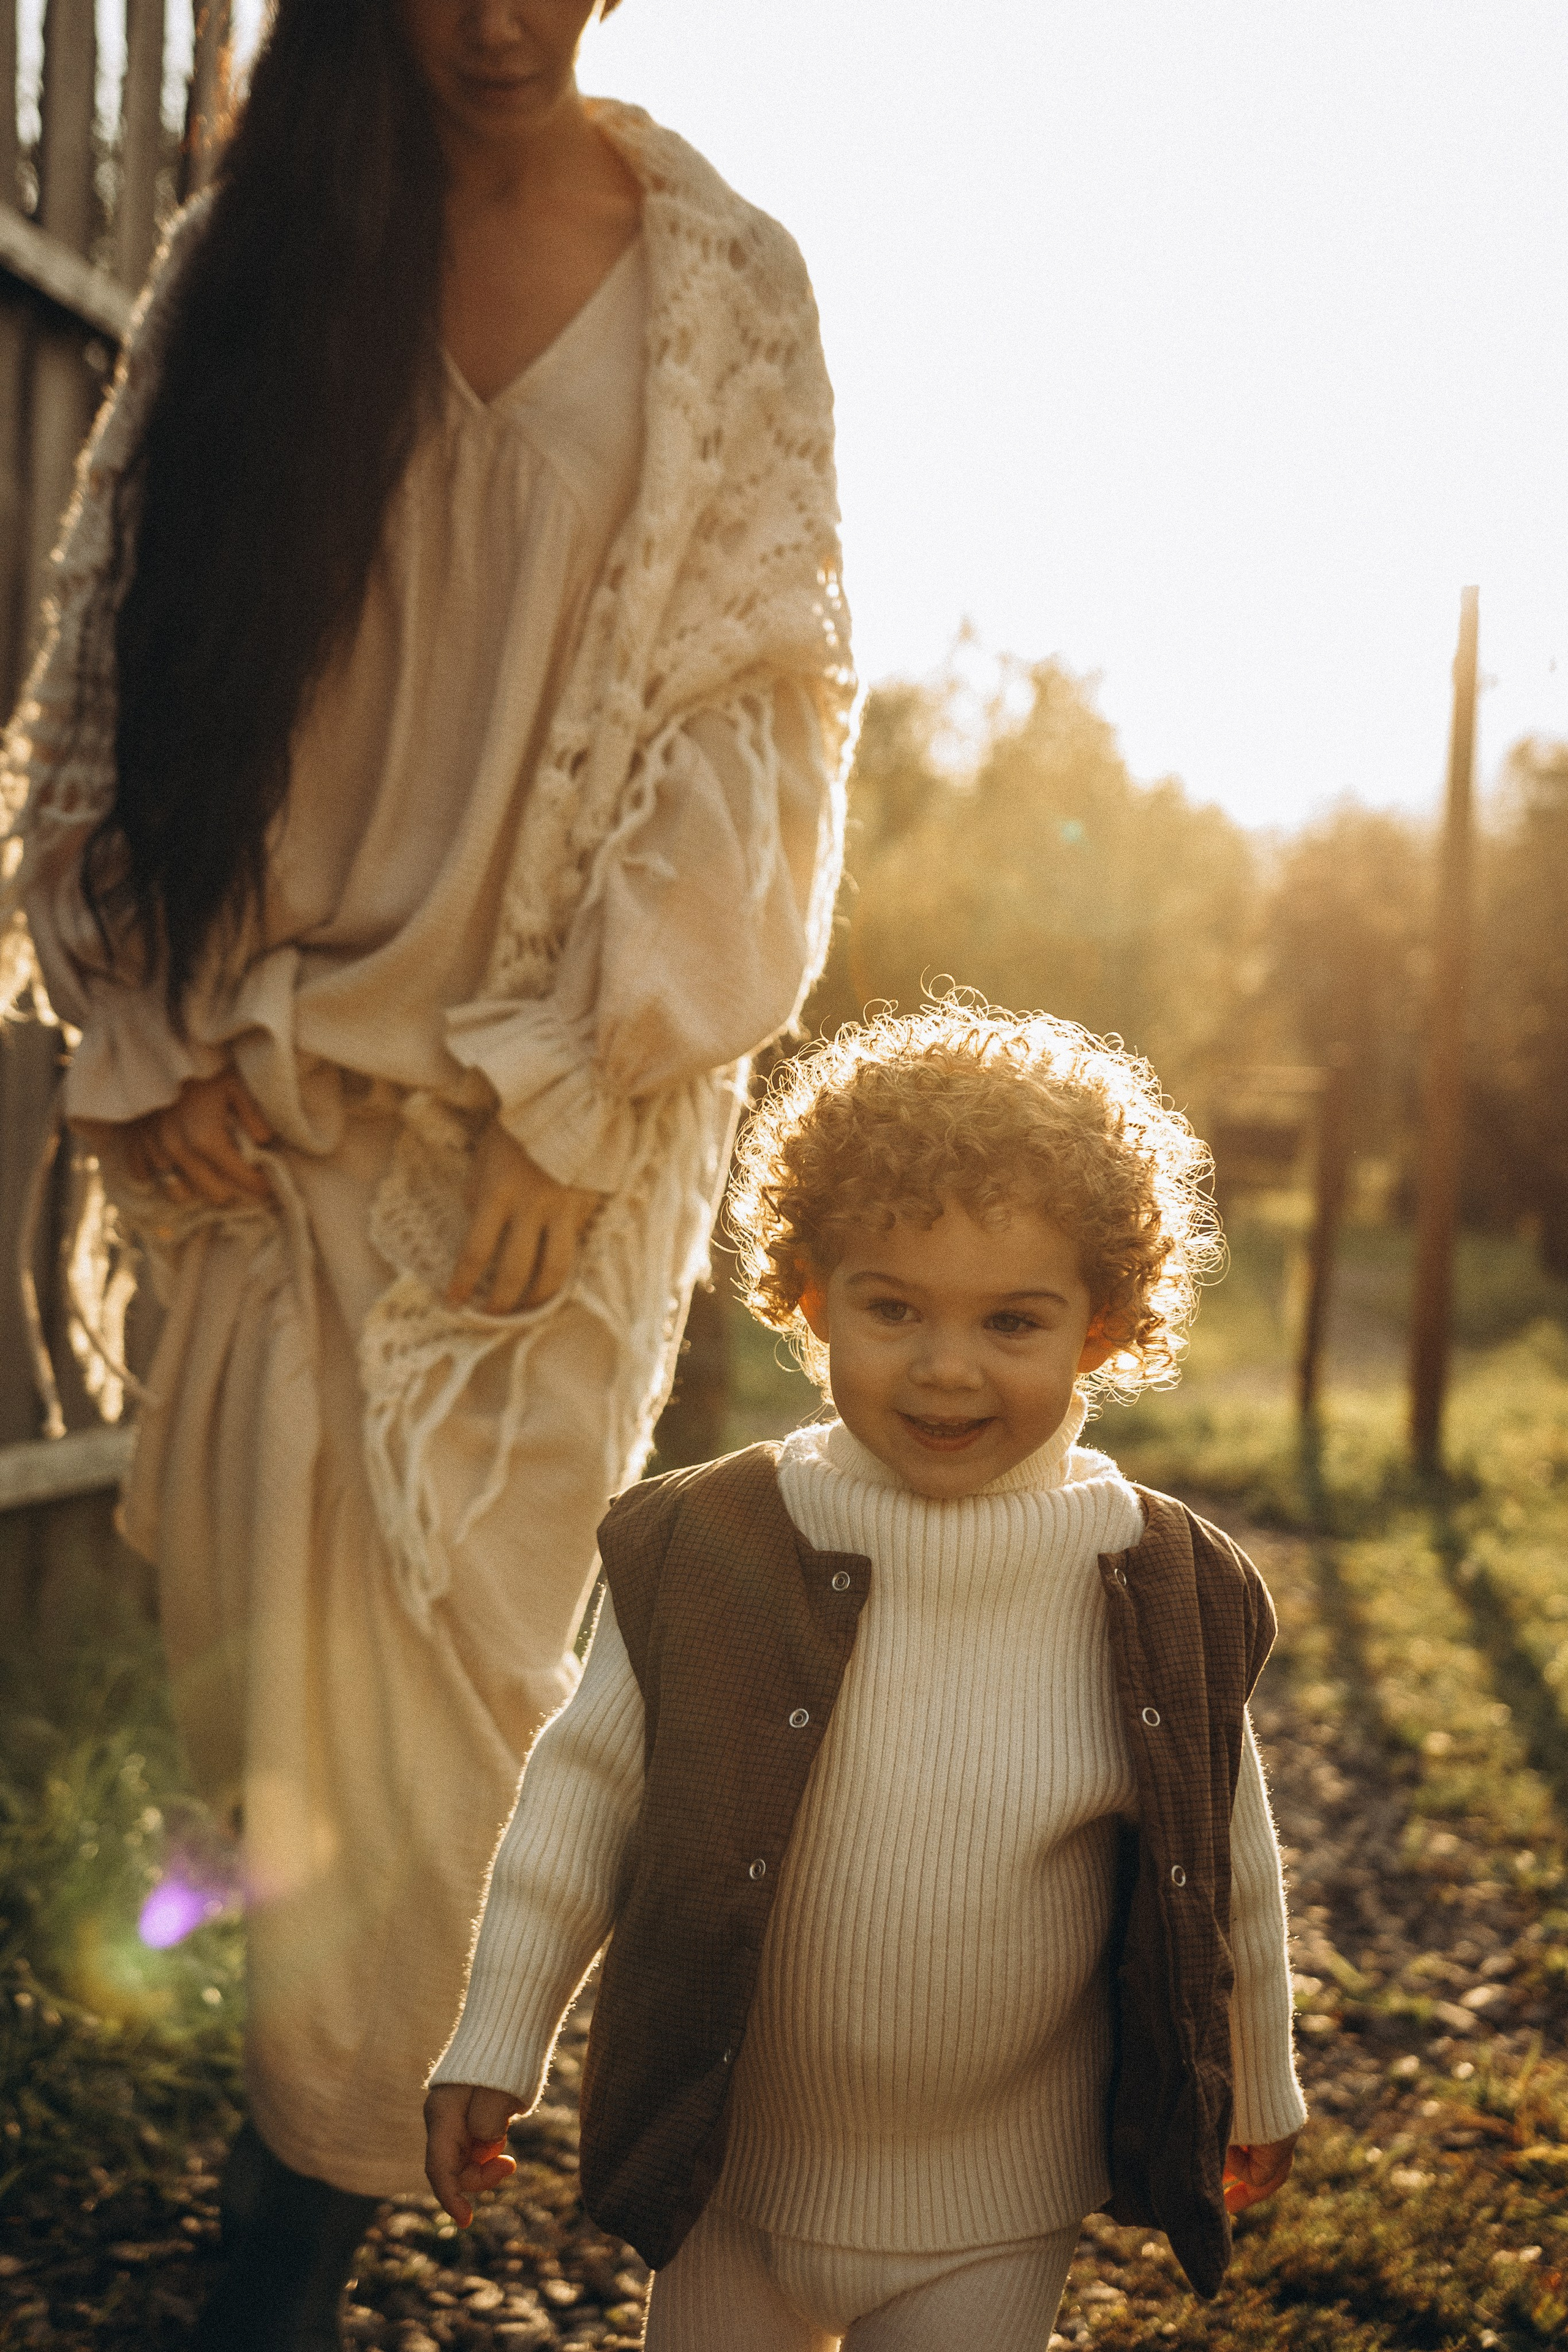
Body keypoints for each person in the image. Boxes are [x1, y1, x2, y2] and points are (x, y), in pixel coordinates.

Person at [0, 2, 851, 2342]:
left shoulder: (726, 287)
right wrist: (147, 1029)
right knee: (253, 1727)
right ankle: (282, 2142)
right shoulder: (257, 254)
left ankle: (277, 2261)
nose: (495, 15)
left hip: (517, 1167)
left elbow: (754, 720)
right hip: (258, 1127)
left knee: (441, 1770)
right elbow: (110, 662)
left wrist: (586, 1092)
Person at [424, 1001, 1307, 2351]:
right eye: (892, 1308)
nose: (945, 1366)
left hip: (995, 2202)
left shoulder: (1157, 1584)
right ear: (806, 1295)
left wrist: (1254, 2083)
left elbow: (1220, 1863)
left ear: (1102, 1326)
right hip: (733, 2173)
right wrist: (497, 2037)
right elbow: (578, 1805)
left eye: (1012, 1320)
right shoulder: (708, 1546)